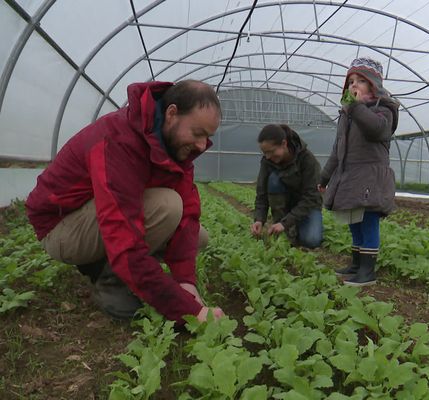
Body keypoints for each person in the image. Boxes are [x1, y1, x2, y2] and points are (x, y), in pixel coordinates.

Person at [25, 80, 225, 324]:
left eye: (208, 137)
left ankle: (119, 269)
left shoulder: (174, 146)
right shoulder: (118, 140)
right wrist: (189, 312)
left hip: (94, 219)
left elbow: (188, 216)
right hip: (61, 228)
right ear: (172, 114)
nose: (202, 145)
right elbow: (122, 233)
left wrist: (185, 281)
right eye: (197, 133)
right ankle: (109, 279)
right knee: (167, 205)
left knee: (197, 236)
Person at [318, 57, 399, 286]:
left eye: (360, 81)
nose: (353, 85)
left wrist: (355, 107)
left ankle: (367, 270)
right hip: (350, 176)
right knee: (354, 220)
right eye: (350, 81)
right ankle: (356, 263)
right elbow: (338, 148)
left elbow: (377, 130)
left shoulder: (384, 109)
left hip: (371, 177)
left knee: (368, 220)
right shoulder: (347, 114)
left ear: (374, 85)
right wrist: (324, 177)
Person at [251, 124, 323, 248]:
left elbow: (311, 197)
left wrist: (286, 223)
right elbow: (261, 193)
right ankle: (281, 223)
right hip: (285, 205)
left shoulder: (307, 159)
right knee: (274, 179)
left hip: (307, 206)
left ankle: (294, 225)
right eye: (264, 153)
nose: (268, 156)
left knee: (311, 240)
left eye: (271, 151)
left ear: (284, 144)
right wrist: (259, 219)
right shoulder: (267, 161)